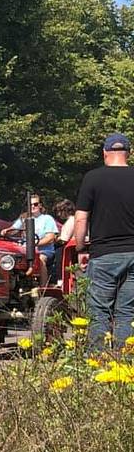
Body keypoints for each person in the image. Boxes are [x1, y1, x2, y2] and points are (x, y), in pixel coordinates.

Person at [75, 132, 134, 349]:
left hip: (104, 254)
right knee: (128, 311)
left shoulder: (93, 178)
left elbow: (81, 218)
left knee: (99, 311)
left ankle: (99, 361)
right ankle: (126, 363)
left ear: (104, 153)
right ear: (129, 153)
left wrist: (80, 248)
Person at [1, 194, 58, 286]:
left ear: (40, 205)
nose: (32, 206)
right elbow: (13, 230)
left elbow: (50, 237)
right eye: (30, 204)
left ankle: (43, 288)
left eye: (35, 204)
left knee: (40, 259)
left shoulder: (47, 219)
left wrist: (35, 243)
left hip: (43, 250)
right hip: (24, 251)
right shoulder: (23, 218)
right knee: (8, 260)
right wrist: (6, 231)